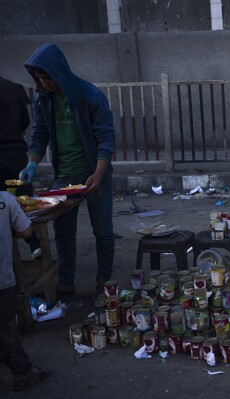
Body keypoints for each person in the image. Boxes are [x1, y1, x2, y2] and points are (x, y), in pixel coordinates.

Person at [19, 43, 116, 298]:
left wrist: (99, 173)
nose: (43, 83)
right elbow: (39, 133)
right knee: (63, 232)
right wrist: (32, 162)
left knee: (103, 230)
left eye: (46, 78)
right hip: (63, 175)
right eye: (38, 79)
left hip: (94, 172)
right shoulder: (43, 98)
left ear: (58, 72)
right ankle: (65, 281)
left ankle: (104, 282)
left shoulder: (90, 96)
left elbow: (106, 138)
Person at [0, 191, 49, 391]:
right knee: (6, 326)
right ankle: (22, 373)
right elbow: (27, 231)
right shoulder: (6, 199)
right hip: (2, 280)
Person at [0, 75, 41, 259]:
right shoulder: (13, 87)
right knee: (24, 204)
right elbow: (25, 122)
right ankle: (34, 243)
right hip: (16, 155)